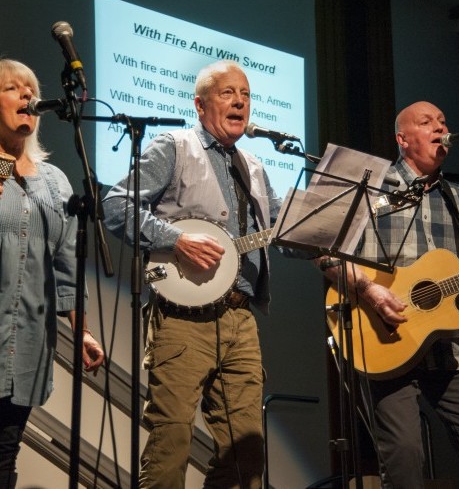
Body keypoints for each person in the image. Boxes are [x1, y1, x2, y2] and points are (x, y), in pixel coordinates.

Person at [102, 59, 284, 488]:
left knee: (246, 449)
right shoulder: (175, 145)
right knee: (172, 441)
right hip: (182, 319)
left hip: (241, 318)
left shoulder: (255, 167)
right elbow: (115, 204)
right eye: (228, 93)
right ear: (201, 105)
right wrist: (175, 240)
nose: (240, 101)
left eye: (246, 94)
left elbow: (285, 229)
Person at [317, 101, 459, 488]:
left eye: (443, 121)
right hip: (386, 337)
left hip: (451, 347)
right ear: (402, 139)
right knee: (404, 459)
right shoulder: (368, 187)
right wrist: (370, 291)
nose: (440, 126)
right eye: (426, 121)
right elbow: (326, 255)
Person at [0, 58, 105, 488]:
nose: (27, 96)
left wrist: (81, 331)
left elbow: (66, 270)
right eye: (13, 88)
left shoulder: (54, 182)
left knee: (4, 456)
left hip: (26, 345)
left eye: (31, 89)